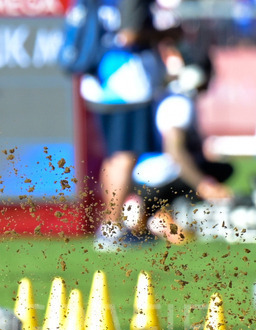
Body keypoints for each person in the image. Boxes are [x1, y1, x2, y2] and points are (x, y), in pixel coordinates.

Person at [78, 0, 170, 251]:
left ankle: (109, 226)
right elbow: (128, 35)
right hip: (125, 84)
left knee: (113, 156)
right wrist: (165, 33)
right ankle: (111, 228)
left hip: (99, 81)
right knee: (124, 156)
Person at [131, 46, 233, 243]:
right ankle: (166, 216)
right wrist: (204, 185)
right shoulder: (179, 103)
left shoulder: (170, 96)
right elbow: (175, 151)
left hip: (145, 177)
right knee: (218, 170)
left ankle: (150, 215)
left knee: (211, 166)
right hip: (157, 179)